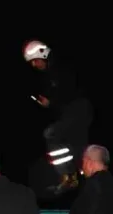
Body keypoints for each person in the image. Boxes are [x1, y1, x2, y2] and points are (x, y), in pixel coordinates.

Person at [23, 40, 94, 198]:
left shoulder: (61, 68)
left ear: (43, 54)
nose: (35, 65)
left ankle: (69, 176)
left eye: (35, 61)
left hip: (80, 110)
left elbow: (71, 92)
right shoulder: (50, 74)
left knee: (51, 134)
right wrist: (48, 103)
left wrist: (51, 102)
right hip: (72, 113)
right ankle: (76, 178)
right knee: (75, 146)